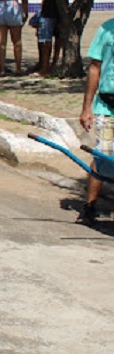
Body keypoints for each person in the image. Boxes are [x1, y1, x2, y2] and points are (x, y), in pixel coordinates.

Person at [77, 18, 114, 225]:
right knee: (102, 156)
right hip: (107, 107)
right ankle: (90, 205)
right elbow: (94, 68)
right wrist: (86, 108)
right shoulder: (106, 29)